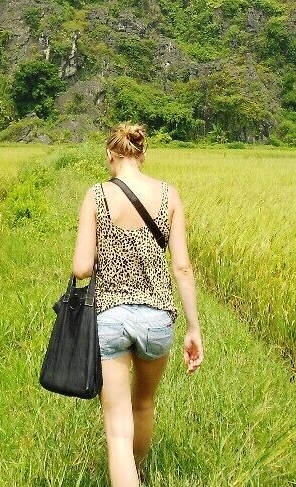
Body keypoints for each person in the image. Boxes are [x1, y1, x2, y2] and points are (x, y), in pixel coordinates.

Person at [71, 121, 203, 487]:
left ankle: (127, 476)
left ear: (110, 155)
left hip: (110, 317)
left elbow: (81, 267)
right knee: (143, 404)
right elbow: (183, 267)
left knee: (117, 430)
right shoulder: (169, 195)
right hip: (157, 319)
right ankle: (138, 473)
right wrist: (193, 329)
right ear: (142, 154)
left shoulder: (96, 195)